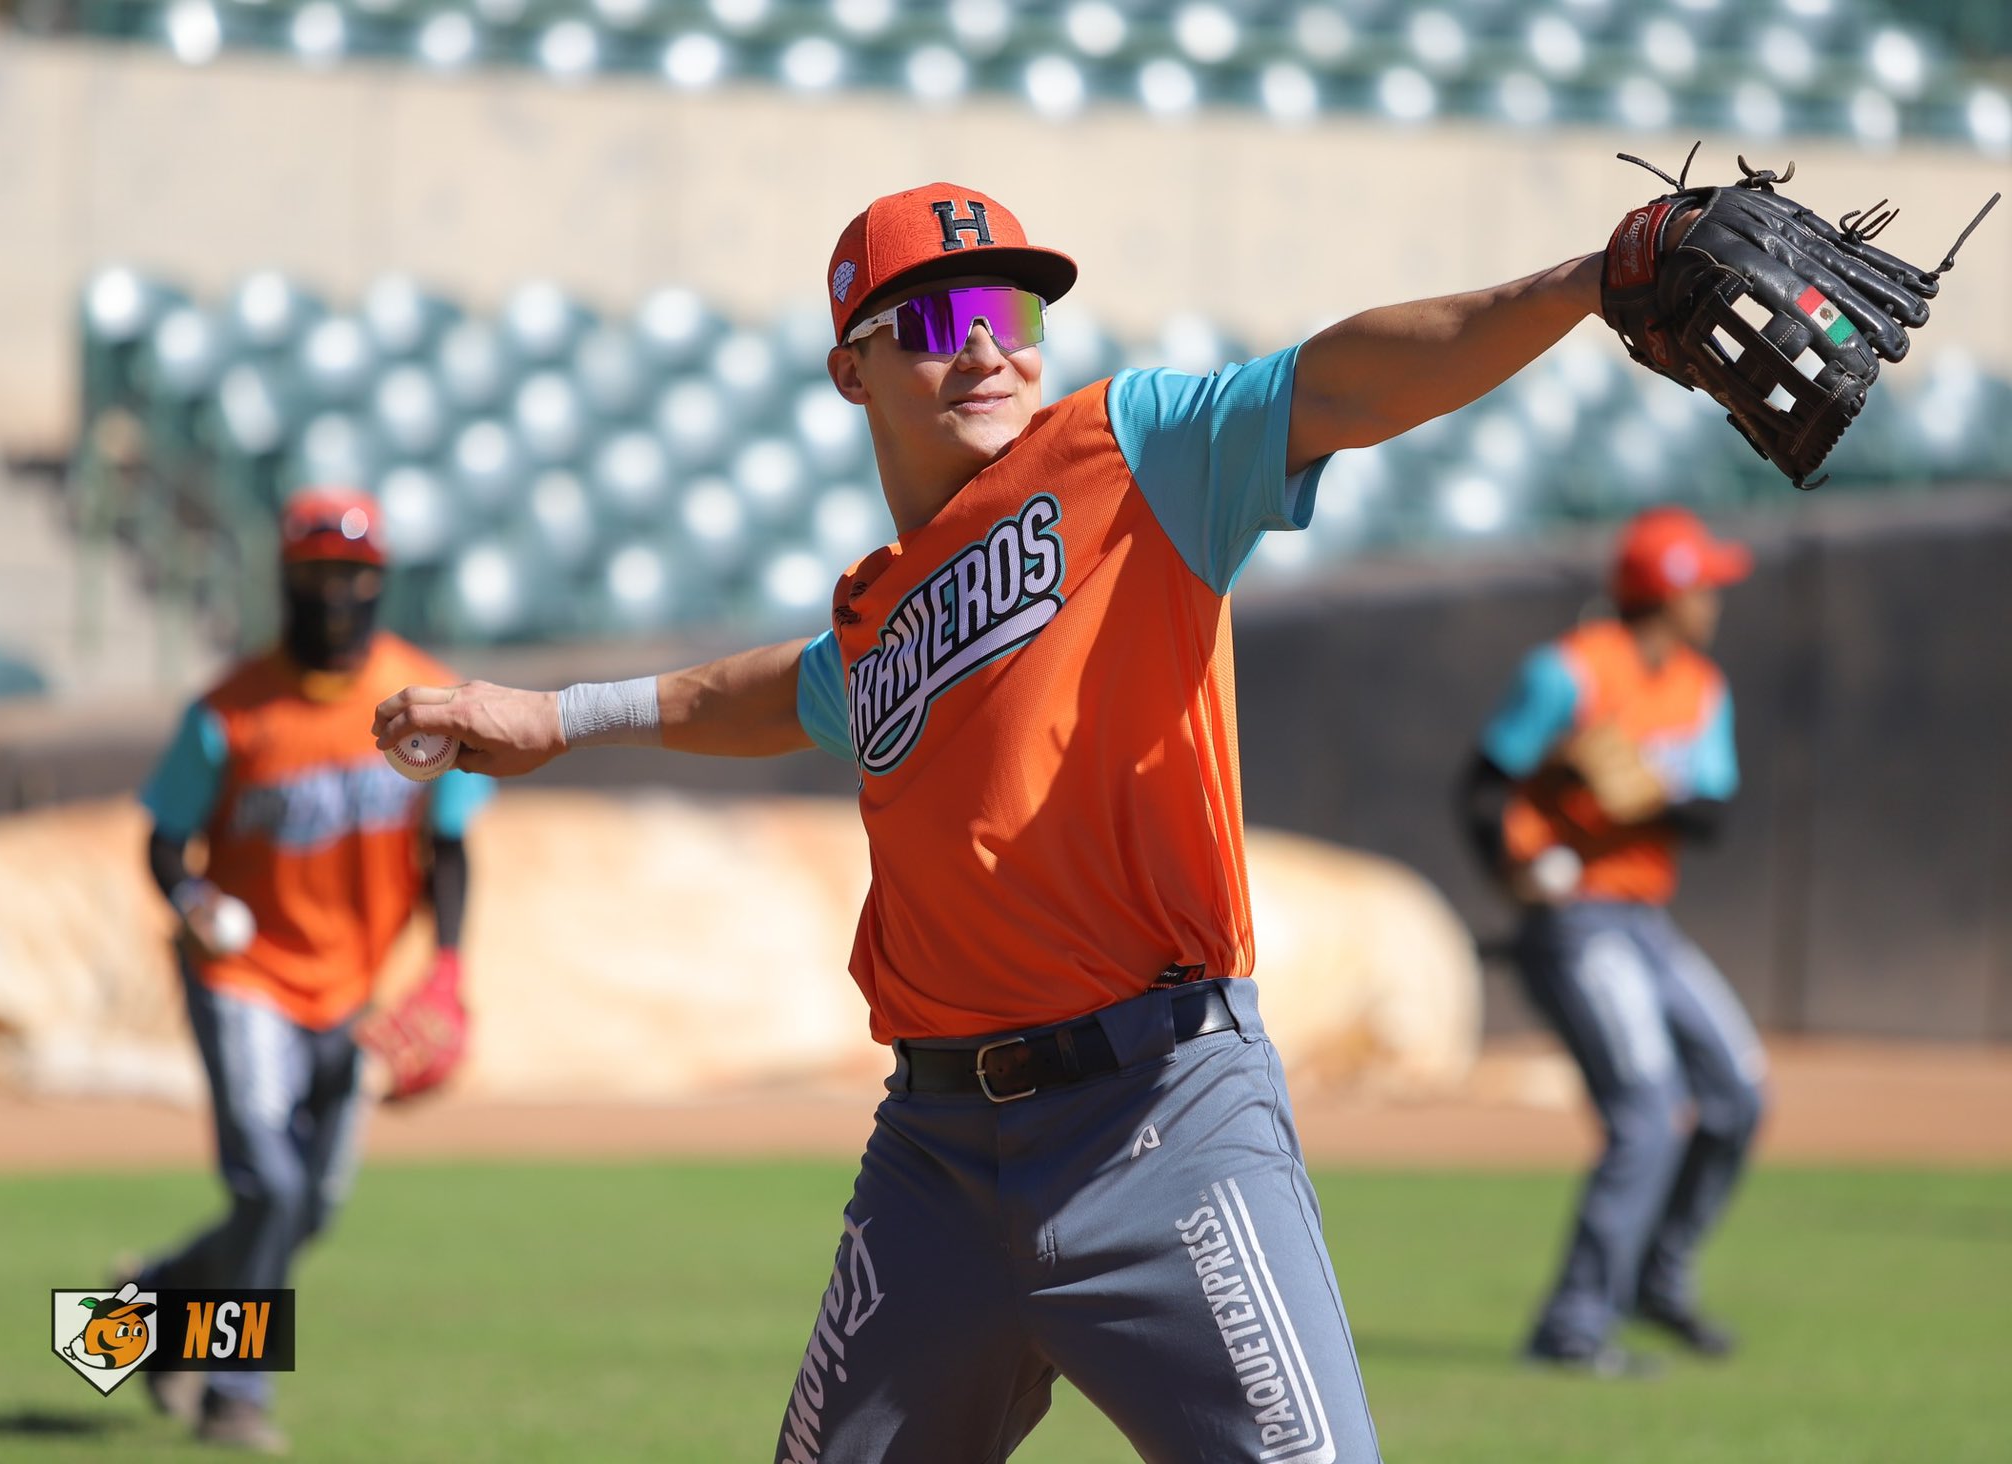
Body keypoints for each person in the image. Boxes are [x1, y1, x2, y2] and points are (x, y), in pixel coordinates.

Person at [375, 182, 1613, 1461]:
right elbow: (750, 693)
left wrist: (1586, 280)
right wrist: (562, 715)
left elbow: (1346, 386)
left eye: (1011, 310)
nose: (983, 345)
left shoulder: (1135, 454)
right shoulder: (877, 611)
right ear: (850, 371)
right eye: (933, 319)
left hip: (1161, 1112)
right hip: (935, 1157)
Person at [134, 487, 493, 1451]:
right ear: (288, 581)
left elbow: (450, 847)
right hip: (243, 979)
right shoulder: (229, 711)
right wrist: (193, 902)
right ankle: (235, 1397)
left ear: (379, 585)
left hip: (352, 993)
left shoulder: (423, 701)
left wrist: (448, 969)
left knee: (311, 1205)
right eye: (317, 575)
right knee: (273, 1190)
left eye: (354, 576)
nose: (335, 595)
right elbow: (165, 843)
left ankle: (135, 1315)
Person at [1456, 505, 1768, 1378]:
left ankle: (1657, 1283)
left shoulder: (1701, 685)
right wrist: (1518, 872)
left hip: (1645, 919)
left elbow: (1712, 814)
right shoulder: (1568, 673)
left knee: (1739, 1096)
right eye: (1703, 581)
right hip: (1574, 919)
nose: (1714, 596)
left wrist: (1641, 794)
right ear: (1667, 592)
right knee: (1647, 1113)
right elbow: (1483, 789)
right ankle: (1572, 1330)